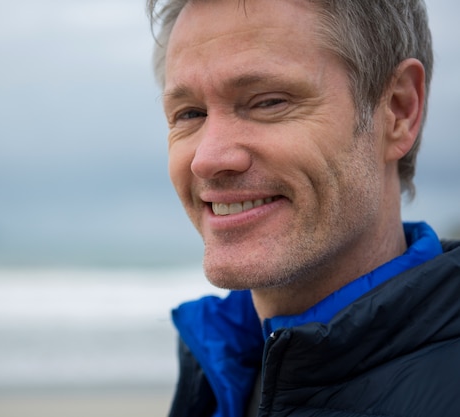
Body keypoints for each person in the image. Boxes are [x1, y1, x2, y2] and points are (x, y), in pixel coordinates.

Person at [146, 0, 460, 416]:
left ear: (399, 110)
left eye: (268, 102)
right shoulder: (222, 366)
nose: (207, 158)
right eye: (190, 113)